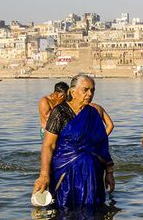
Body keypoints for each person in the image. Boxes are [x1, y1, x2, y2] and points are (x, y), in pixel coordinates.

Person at [34, 74, 114, 208]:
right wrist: (44, 175)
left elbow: (102, 146)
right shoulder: (60, 112)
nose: (90, 94)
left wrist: (109, 173)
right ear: (72, 92)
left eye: (92, 90)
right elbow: (49, 145)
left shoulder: (93, 114)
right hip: (66, 172)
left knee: (93, 213)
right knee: (66, 212)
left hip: (92, 175)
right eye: (85, 90)